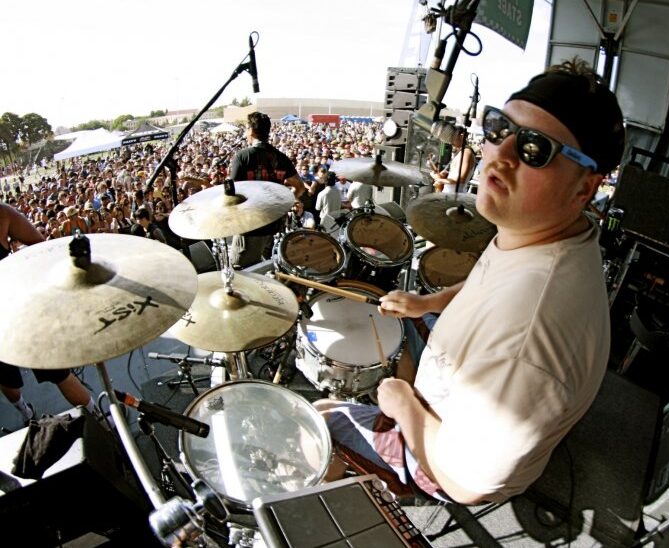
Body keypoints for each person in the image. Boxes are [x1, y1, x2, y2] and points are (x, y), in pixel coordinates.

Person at [316, 58, 625, 504]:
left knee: (320, 417)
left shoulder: (529, 339)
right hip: (456, 390)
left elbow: (469, 484)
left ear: (584, 188)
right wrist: (428, 304)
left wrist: (404, 406)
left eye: (535, 148)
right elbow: (489, 279)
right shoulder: (543, 235)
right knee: (397, 319)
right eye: (500, 128)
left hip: (440, 465)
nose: (501, 155)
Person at [0, 203, 103, 426]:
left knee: (56, 371)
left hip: (16, 307)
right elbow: (39, 245)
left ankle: (96, 416)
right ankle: (27, 411)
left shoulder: (2, 214)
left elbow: (39, 245)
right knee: (11, 381)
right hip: (13, 308)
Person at [228, 112, 304, 267]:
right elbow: (300, 187)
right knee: (269, 270)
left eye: (246, 128)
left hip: (250, 227)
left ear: (251, 130)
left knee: (241, 273)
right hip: (275, 224)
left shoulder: (243, 156)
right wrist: (285, 203)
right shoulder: (281, 157)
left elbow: (232, 193)